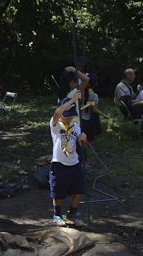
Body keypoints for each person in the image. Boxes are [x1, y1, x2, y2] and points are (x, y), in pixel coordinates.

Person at [49, 93, 87, 227]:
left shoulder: (75, 126)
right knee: (57, 191)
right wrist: (74, 100)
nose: (69, 118)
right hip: (59, 164)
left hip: (74, 163)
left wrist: (83, 139)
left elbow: (82, 145)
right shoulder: (55, 125)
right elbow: (57, 112)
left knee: (80, 189)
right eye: (66, 116)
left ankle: (72, 213)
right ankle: (57, 214)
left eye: (71, 116)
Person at [114, 68, 143, 133]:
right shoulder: (120, 86)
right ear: (128, 75)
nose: (134, 76)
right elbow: (126, 101)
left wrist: (138, 92)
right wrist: (138, 101)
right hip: (126, 108)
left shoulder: (129, 86)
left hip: (131, 105)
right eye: (133, 74)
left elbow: (132, 98)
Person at [81, 73, 109, 143]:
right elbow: (95, 110)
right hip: (88, 121)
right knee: (87, 141)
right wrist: (104, 115)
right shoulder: (94, 96)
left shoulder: (80, 92)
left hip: (79, 120)